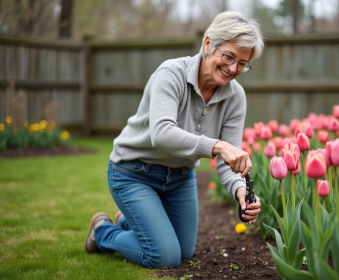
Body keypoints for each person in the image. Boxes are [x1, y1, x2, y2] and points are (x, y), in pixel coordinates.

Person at [84, 11, 264, 269]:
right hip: (134, 172)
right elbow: (162, 133)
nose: (233, 68)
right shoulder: (171, 74)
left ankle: (129, 221)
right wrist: (217, 146)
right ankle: (102, 232)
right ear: (207, 44)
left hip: (179, 178)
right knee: (164, 256)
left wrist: (240, 192)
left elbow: (228, 162)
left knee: (184, 252)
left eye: (243, 63)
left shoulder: (235, 97)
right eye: (228, 57)